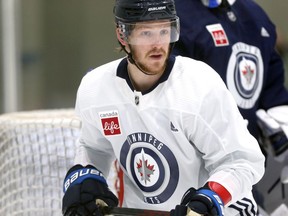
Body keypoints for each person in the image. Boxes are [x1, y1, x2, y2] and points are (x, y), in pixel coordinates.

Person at [61, 0, 265, 215]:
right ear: (123, 36)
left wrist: (210, 198)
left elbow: (242, 161)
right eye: (146, 34)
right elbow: (93, 147)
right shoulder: (96, 87)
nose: (158, 44)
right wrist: (84, 176)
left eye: (164, 31)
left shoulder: (199, 85)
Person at [172, 0, 288, 159]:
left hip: (246, 164)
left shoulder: (254, 14)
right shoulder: (171, 15)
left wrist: (279, 121)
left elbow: (273, 89)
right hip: (193, 160)